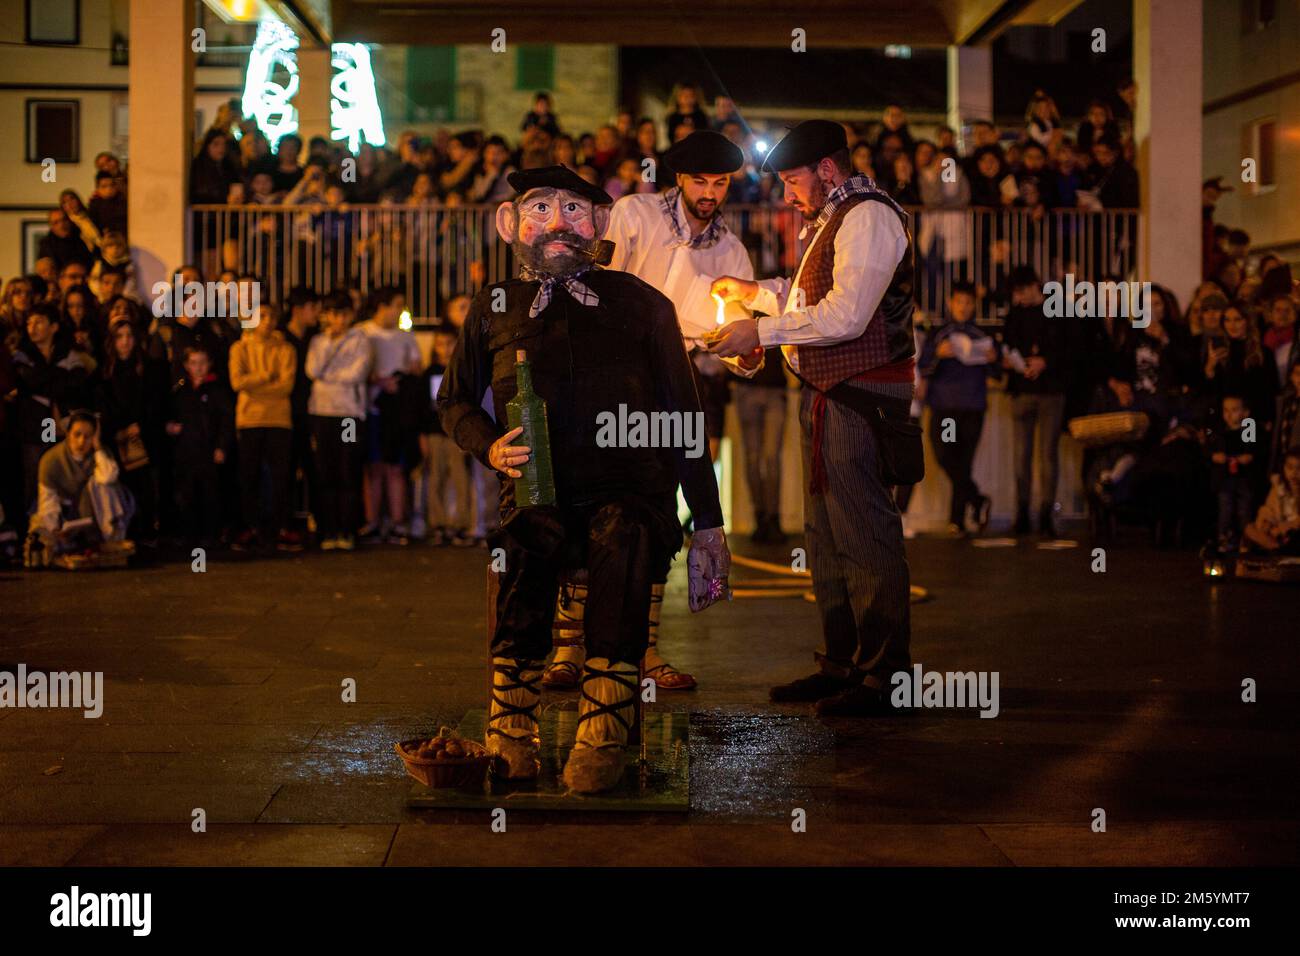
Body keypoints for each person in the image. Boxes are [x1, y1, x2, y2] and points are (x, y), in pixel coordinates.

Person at [437, 165, 730, 793]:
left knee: (622, 536)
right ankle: (511, 724)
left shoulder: (644, 305)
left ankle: (603, 726)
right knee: (521, 544)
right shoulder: (493, 305)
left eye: (576, 209)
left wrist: (708, 524)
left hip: (628, 493)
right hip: (538, 494)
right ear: (509, 223)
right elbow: (453, 401)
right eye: (541, 208)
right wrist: (489, 447)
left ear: (598, 224)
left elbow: (683, 419)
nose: (560, 223)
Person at [710, 120, 918, 717]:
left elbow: (847, 316)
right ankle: (843, 664)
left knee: (864, 535)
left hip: (860, 398)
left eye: (793, 180)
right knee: (825, 537)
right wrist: (755, 292)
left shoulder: (870, 216)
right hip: (829, 394)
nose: (787, 194)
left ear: (828, 169)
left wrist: (761, 329)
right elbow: (810, 302)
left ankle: (884, 679)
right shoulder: (833, 218)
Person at [540, 130, 753, 695]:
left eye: (721, 183)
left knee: (657, 516)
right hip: (602, 377)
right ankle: (567, 648)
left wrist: (747, 350)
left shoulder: (732, 250)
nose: (710, 193)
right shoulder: (635, 214)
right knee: (583, 505)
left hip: (672, 383)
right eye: (701, 181)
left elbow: (734, 340)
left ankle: (645, 649)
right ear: (679, 179)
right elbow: (588, 277)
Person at [918, 281, 997, 536]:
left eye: (968, 303)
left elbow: (996, 373)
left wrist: (994, 360)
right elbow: (923, 365)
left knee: (964, 462)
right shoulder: (940, 332)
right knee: (945, 456)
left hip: (973, 405)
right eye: (959, 302)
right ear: (951, 303)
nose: (963, 307)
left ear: (974, 305)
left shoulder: (981, 334)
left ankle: (957, 521)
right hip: (945, 406)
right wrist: (939, 355)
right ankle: (977, 500)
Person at [1001, 266, 1067, 536]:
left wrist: (1046, 362)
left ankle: (1046, 512)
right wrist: (1011, 362)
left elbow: (1071, 349)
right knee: (1021, 455)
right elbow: (1006, 345)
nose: (1019, 298)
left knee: (1047, 454)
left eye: (1022, 291)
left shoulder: (1059, 310)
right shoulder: (1015, 314)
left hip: (1051, 390)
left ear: (1035, 285)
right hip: (1022, 389)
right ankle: (1022, 512)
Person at [228, 302, 299, 552]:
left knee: (281, 476)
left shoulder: (286, 348)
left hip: (279, 419)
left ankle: (279, 527)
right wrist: (267, 376)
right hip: (249, 419)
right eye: (262, 316)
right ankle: (251, 527)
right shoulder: (239, 348)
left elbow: (286, 385)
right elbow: (237, 382)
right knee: (248, 475)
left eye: (272, 316)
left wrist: (255, 383)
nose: (268, 321)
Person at [25, 410, 134, 568]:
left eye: (88, 436)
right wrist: (55, 530)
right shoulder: (51, 460)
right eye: (77, 434)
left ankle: (111, 541)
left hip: (95, 516)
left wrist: (97, 448)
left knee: (102, 483)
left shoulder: (100, 454)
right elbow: (47, 501)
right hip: (65, 516)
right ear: (68, 434)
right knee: (43, 533)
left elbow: (109, 477)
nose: (81, 441)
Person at [306, 291, 372, 551]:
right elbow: (312, 371)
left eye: (343, 314)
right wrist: (331, 349)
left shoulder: (360, 340)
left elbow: (357, 373)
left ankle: (347, 530)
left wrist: (329, 375)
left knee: (348, 471)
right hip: (321, 413)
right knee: (325, 471)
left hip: (349, 414)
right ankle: (327, 530)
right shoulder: (318, 341)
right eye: (333, 314)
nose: (338, 320)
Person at [358, 287, 420, 544]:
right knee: (373, 467)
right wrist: (377, 380)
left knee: (396, 467)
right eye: (396, 305)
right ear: (381, 306)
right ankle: (372, 522)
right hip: (370, 408)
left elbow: (417, 367)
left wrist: (400, 377)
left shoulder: (406, 336)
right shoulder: (362, 332)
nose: (399, 311)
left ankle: (397, 523)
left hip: (397, 411)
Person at [166, 346, 234, 546]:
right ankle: (189, 535)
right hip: (186, 451)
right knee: (187, 494)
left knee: (210, 494)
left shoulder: (218, 390)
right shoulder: (180, 390)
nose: (198, 368)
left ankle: (210, 535)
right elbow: (170, 414)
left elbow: (226, 421)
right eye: (194, 363)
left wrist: (222, 446)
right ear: (187, 365)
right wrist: (170, 427)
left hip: (208, 451)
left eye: (202, 363)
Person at [1209, 394, 1257, 553]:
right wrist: (1215, 456)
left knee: (1244, 509)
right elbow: (1210, 450)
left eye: (1235, 410)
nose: (1229, 414)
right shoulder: (1219, 429)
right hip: (1224, 478)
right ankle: (1224, 539)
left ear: (1245, 412)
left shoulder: (1248, 427)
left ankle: (1246, 539)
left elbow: (1250, 450)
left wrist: (1247, 456)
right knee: (1225, 509)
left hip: (1243, 477)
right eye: (1226, 410)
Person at [1243, 449, 1300, 555]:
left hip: (1293, 532)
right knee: (1250, 529)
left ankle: (1281, 550)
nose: (1294, 473)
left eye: (1299, 469)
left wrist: (1283, 528)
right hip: (1279, 534)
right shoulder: (1279, 487)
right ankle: (1278, 548)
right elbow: (1268, 510)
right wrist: (1267, 524)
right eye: (1290, 468)